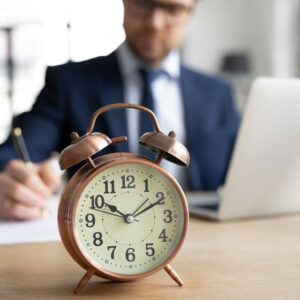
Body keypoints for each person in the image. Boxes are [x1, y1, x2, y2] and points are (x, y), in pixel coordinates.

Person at [0, 0, 239, 220]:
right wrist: (10, 178)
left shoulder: (218, 94)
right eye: (143, 4)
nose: (155, 23)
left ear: (191, 11)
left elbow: (244, 173)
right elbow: (15, 153)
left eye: (173, 9)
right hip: (103, 233)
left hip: (197, 235)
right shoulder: (68, 83)